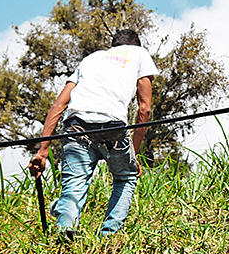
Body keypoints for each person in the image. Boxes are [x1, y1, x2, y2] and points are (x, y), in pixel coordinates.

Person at [28, 29, 158, 239]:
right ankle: (108, 237)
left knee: (74, 184)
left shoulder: (90, 59)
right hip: (113, 127)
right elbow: (144, 109)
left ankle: (65, 234)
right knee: (125, 177)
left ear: (112, 45)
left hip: (76, 127)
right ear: (136, 45)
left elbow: (58, 106)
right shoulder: (139, 54)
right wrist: (132, 153)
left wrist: (42, 152)